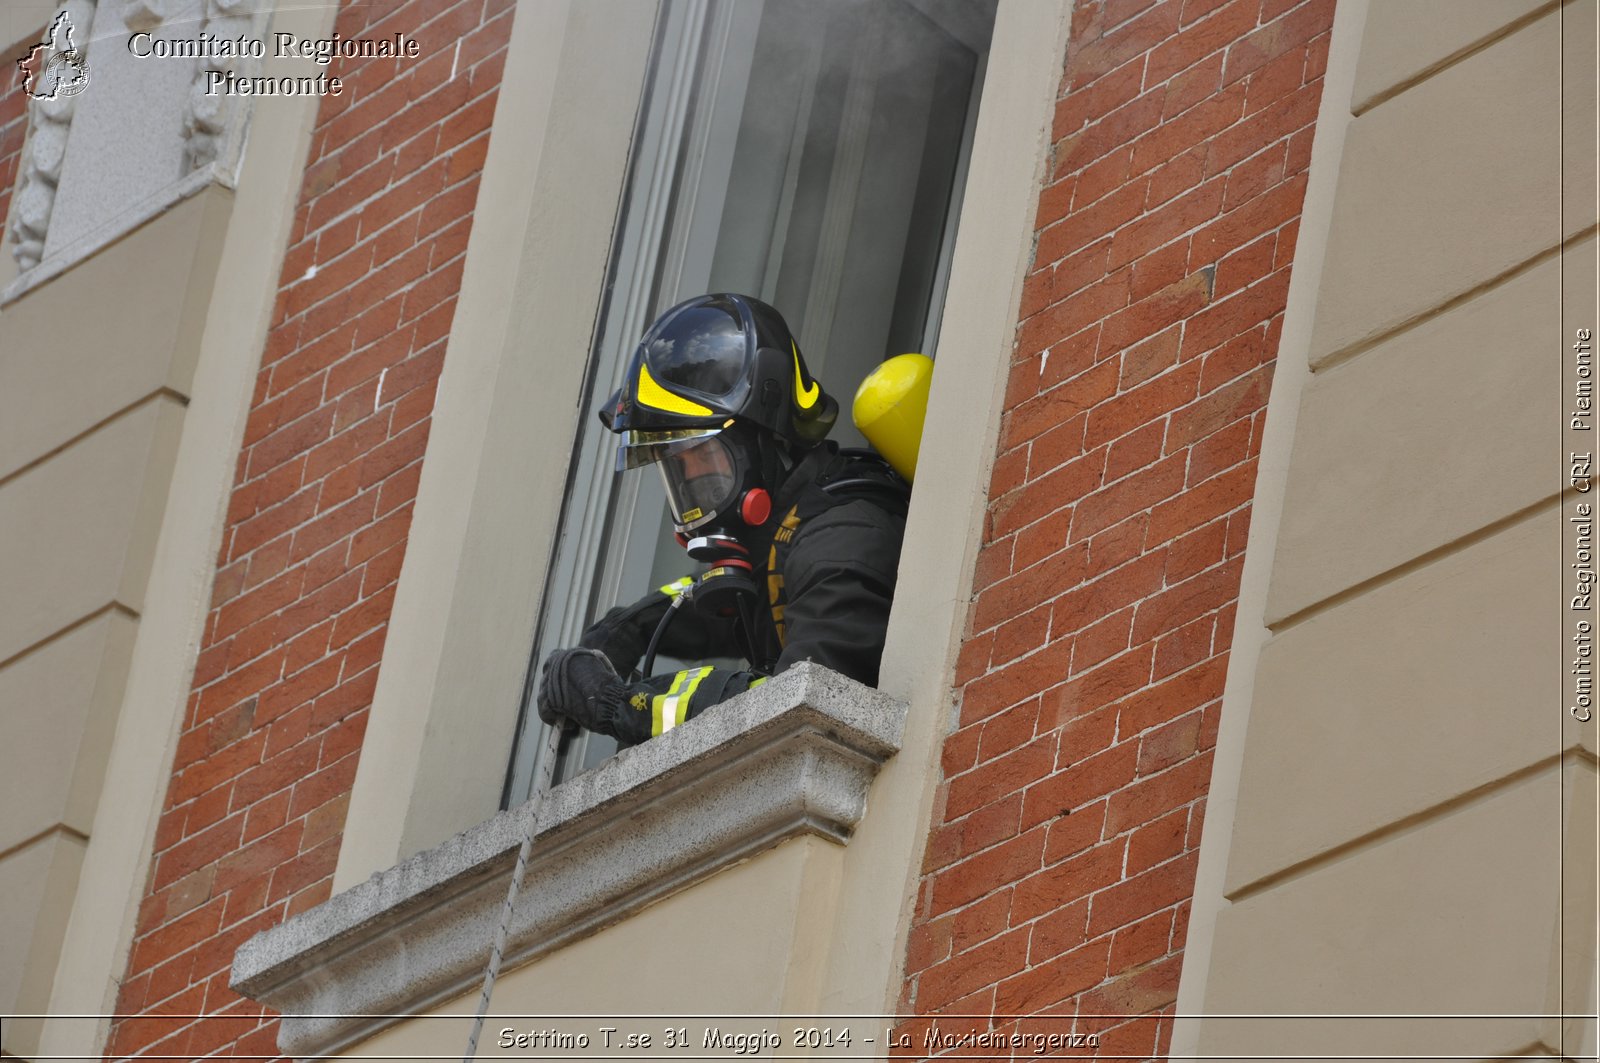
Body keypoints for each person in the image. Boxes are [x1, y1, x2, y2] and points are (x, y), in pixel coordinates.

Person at [536, 293, 908, 748]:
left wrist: (623, 705)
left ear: (763, 440)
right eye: (677, 469)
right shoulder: (780, 536)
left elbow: (795, 714)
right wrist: (629, 628)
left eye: (703, 458)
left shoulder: (842, 541)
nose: (691, 481)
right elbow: (731, 597)